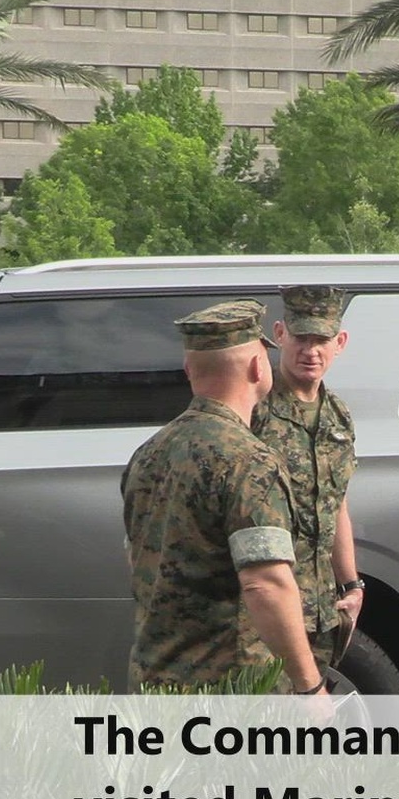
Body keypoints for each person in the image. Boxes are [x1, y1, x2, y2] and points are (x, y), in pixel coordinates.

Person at [120, 299, 325, 696]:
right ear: (256, 367)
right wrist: (309, 686)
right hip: (230, 695)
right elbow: (265, 583)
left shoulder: (149, 453)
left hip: (153, 683)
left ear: (188, 370)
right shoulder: (249, 462)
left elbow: (140, 559)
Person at [253, 285, 361, 670]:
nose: (310, 350)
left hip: (321, 609)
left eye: (321, 339)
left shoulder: (338, 416)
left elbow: (337, 503)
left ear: (340, 342)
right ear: (280, 334)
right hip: (264, 612)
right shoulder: (255, 409)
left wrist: (351, 584)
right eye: (301, 337)